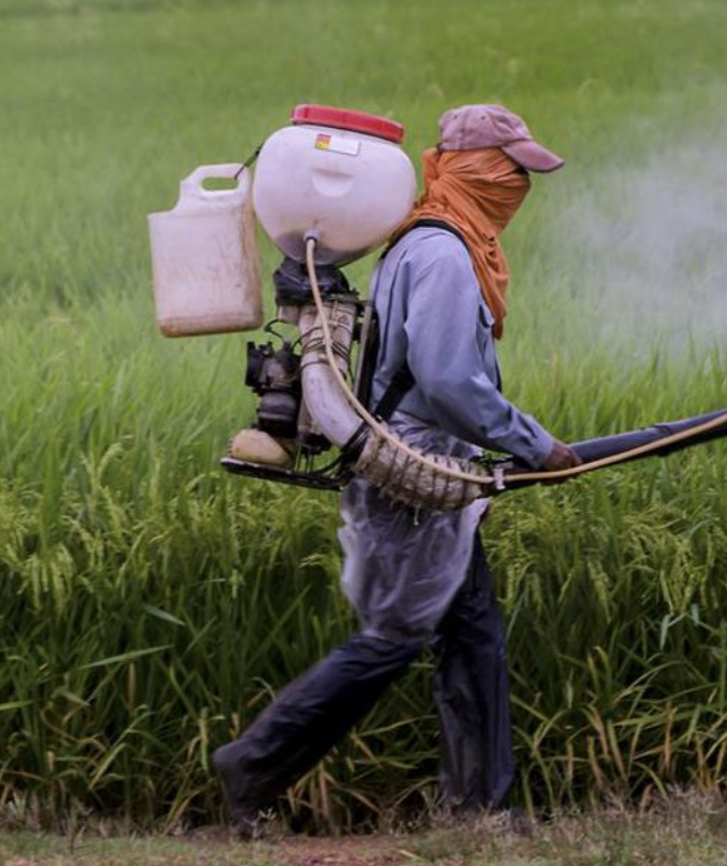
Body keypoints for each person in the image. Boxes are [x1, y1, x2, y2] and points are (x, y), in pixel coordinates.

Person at [211, 104, 581, 834]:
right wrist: (536, 446)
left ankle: (483, 808)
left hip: (433, 475)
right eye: (511, 172)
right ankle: (252, 764)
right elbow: (448, 382)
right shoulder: (442, 253)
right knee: (392, 638)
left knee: (471, 635)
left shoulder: (427, 243)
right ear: (474, 168)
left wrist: (474, 477)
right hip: (412, 481)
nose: (518, 188)